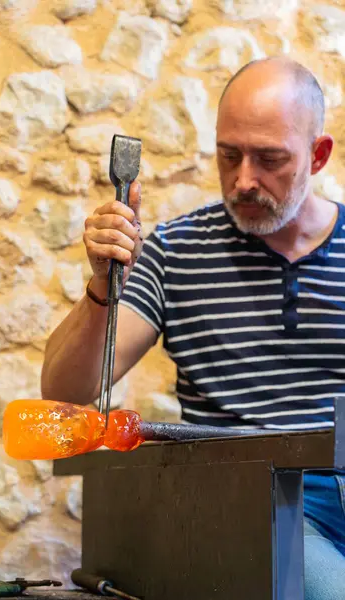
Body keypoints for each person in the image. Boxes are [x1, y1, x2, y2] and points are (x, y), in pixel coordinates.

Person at [41, 57, 345, 599]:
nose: (244, 180)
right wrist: (103, 287)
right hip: (250, 501)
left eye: (270, 159)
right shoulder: (174, 252)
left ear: (318, 155)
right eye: (229, 155)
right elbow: (65, 391)